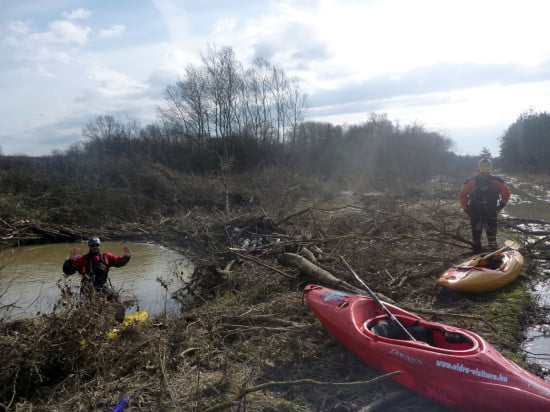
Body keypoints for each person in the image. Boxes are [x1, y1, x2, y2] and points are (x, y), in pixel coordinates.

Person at [63, 236, 131, 320]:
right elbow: (68, 271)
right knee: (90, 312)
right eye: (92, 245)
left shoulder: (106, 256)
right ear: (89, 246)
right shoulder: (82, 259)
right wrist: (69, 260)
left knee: (119, 307)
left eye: (96, 245)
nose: (95, 247)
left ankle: (118, 324)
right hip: (88, 289)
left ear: (99, 245)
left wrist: (127, 257)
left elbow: (119, 262)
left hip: (104, 287)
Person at [459, 158, 511, 254]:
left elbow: (506, 193)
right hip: (478, 213)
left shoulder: (496, 181)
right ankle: (477, 255)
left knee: (490, 239)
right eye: (483, 169)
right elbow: (462, 195)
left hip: (488, 213)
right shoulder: (495, 181)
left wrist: (500, 207)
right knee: (477, 238)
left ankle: (492, 256)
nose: (484, 172)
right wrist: (466, 209)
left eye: (485, 170)